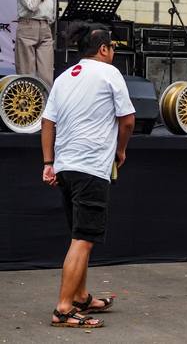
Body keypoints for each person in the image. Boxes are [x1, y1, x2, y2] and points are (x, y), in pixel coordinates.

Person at [41, 23, 135, 328]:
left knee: (78, 236)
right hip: (91, 167)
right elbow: (128, 120)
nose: (113, 52)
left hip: (66, 167)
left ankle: (80, 296)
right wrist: (121, 150)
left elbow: (47, 122)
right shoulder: (109, 73)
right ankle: (63, 309)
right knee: (83, 240)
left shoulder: (64, 77)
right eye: (112, 47)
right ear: (104, 49)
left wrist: (48, 162)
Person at [16, 0, 56, 88]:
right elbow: (32, 6)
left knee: (47, 75)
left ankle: (45, 101)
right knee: (26, 73)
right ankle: (26, 102)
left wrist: (46, 25)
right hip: (28, 27)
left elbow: (52, 15)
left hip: (45, 29)